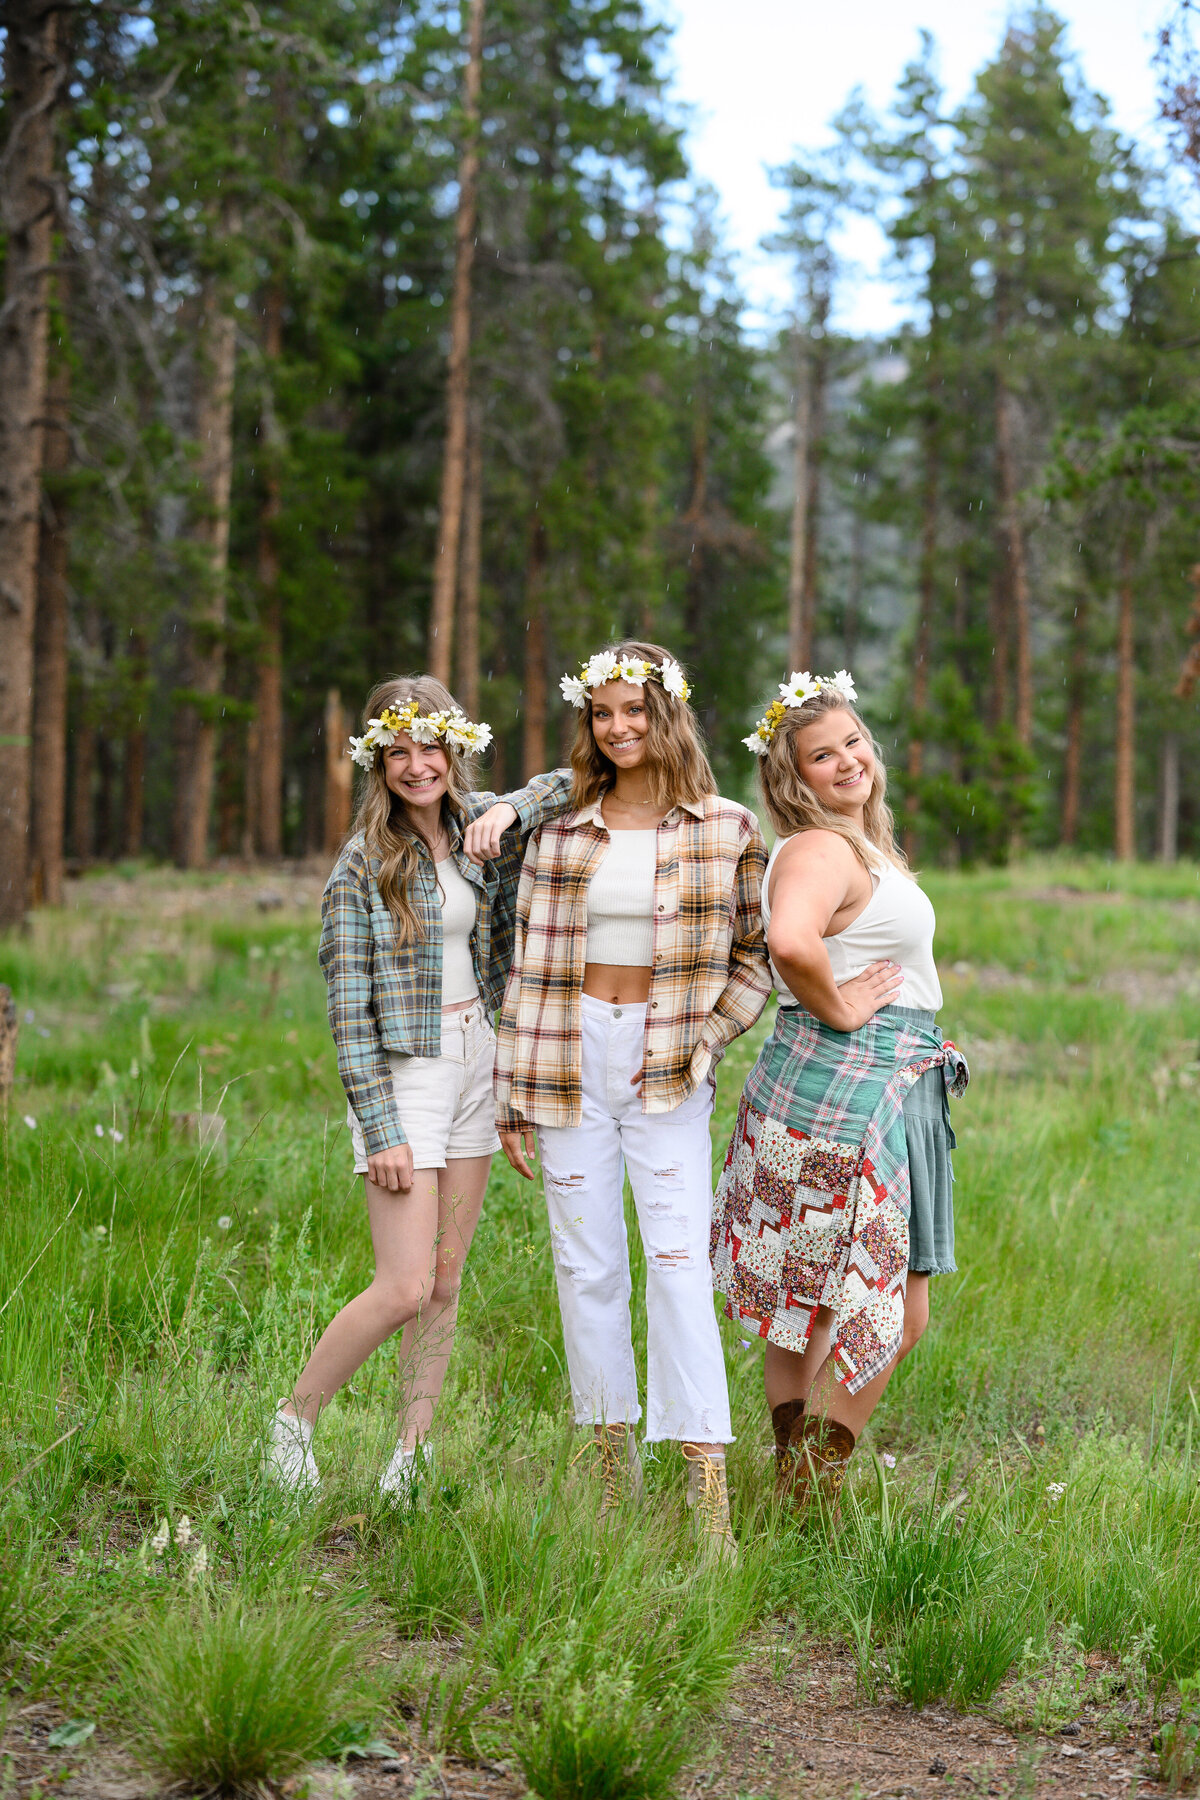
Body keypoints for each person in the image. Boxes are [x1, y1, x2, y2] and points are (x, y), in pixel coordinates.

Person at [494, 642, 771, 1560]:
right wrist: (512, 1091)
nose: (619, 728)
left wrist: (707, 1038)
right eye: (603, 714)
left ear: (667, 715)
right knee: (586, 1267)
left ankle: (705, 1476)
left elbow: (755, 959)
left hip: (667, 1063)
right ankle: (609, 1461)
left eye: (635, 712)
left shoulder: (724, 828)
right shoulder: (565, 827)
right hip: (566, 1056)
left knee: (679, 1261)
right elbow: (527, 963)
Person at [267, 675, 571, 1497]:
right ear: (377, 761)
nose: (415, 765)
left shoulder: (478, 827)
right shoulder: (362, 865)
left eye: (429, 746)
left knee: (445, 1281)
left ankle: (411, 1455)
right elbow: (347, 1015)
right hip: (406, 1076)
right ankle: (292, 1423)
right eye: (396, 750)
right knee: (402, 1284)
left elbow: (578, 781)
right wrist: (381, 1127)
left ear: (454, 748)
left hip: (478, 1057)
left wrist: (509, 808)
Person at [711, 671, 967, 1513]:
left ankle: (794, 1494)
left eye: (854, 741)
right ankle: (809, 1493)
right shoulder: (822, 848)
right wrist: (844, 1007)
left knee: (808, 1306)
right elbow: (791, 940)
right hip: (853, 1090)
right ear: (796, 778)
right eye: (823, 755)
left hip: (846, 1082)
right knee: (888, 1311)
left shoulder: (858, 846)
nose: (849, 760)